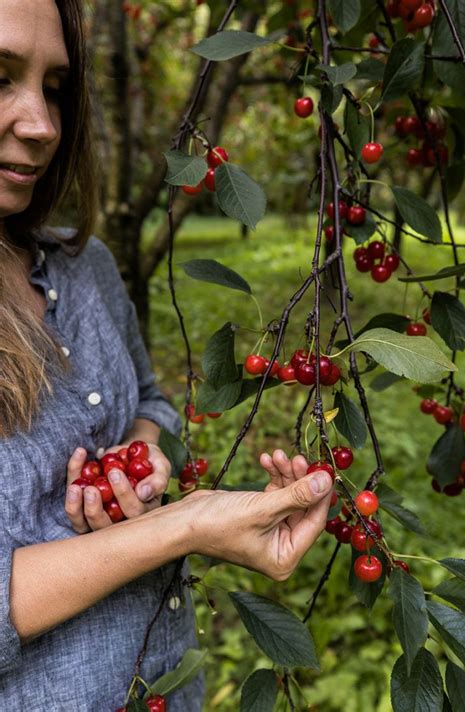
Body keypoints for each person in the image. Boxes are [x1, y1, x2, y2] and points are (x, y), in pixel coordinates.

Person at [0, 1, 334, 709]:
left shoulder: (84, 266)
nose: (42, 124)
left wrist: (147, 450)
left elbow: (149, 400)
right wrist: (184, 523)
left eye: (54, 88)